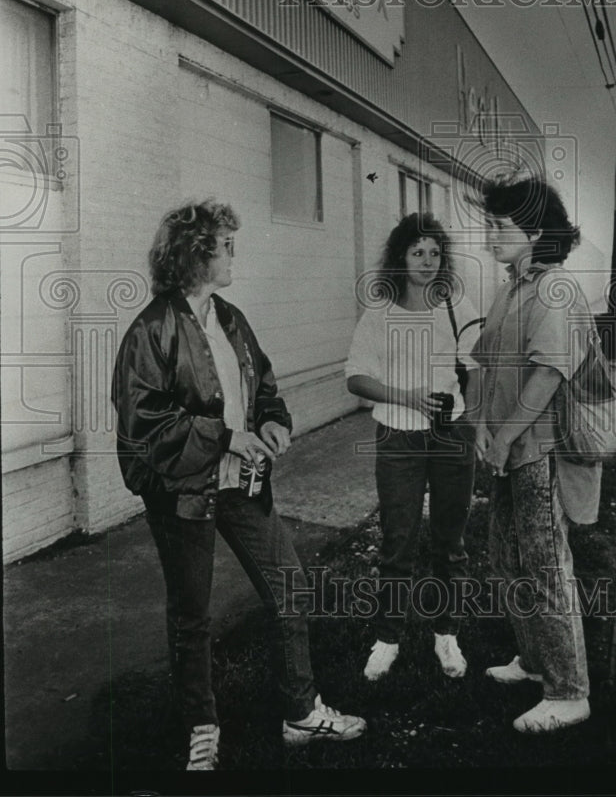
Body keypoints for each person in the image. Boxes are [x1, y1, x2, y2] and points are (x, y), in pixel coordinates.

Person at [111, 201, 365, 770]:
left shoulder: (229, 317)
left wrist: (273, 420)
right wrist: (226, 438)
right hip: (183, 494)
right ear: (193, 253)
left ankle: (301, 713)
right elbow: (143, 425)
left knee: (291, 587)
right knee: (192, 614)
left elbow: (263, 384)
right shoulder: (151, 330)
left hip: (241, 486)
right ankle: (202, 727)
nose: (233, 255)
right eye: (224, 245)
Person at [470, 174, 599, 734]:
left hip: (540, 451)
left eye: (501, 226)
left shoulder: (554, 289)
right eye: (491, 223)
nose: (490, 235)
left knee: (546, 567)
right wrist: (481, 424)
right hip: (506, 448)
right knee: (507, 559)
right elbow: (487, 362)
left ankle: (570, 692)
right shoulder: (512, 285)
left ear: (535, 232)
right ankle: (534, 660)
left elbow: (548, 374)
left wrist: (501, 438)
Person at [345, 212, 483, 682]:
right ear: (399, 257)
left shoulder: (454, 308)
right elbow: (355, 377)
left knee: (451, 542)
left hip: (451, 434)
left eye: (435, 253)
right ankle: (388, 638)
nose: (427, 261)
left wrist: (475, 421)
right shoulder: (380, 312)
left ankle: (447, 633)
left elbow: (476, 368)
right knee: (397, 541)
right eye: (417, 252)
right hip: (398, 436)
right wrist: (405, 397)